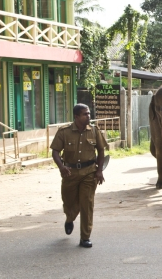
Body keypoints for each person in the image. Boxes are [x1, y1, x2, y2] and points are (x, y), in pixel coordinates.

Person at [50, 104, 106, 248]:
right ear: (76, 117)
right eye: (85, 114)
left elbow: (100, 151)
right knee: (70, 203)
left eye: (88, 113)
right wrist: (61, 167)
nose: (88, 116)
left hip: (89, 172)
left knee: (87, 204)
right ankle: (69, 218)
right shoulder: (64, 132)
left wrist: (99, 171)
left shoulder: (94, 131)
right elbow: (55, 151)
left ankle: (85, 237)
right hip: (70, 173)